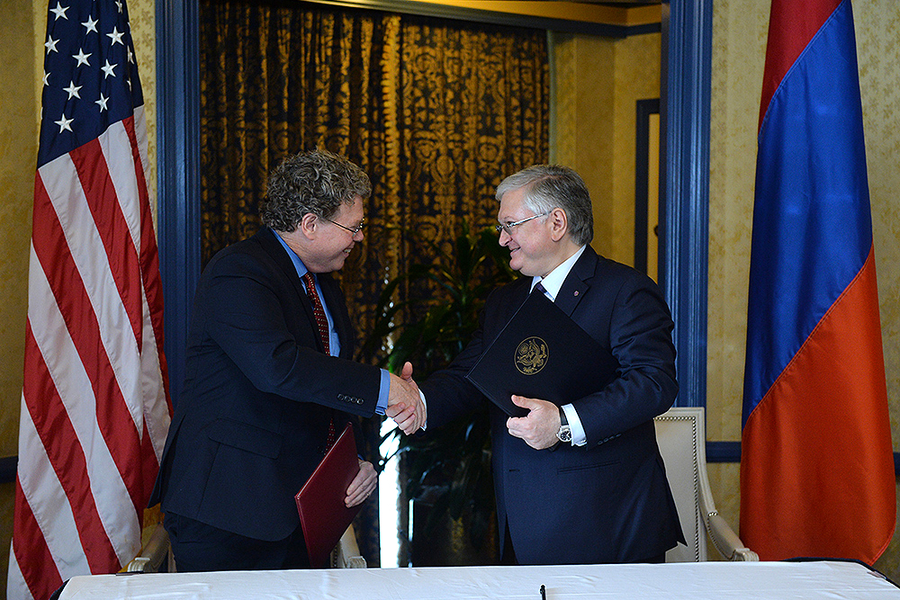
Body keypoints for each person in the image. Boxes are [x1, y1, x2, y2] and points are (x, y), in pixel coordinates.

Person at [149, 149, 425, 572]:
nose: (360, 237)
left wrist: (356, 462)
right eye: (354, 227)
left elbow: (322, 390)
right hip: (229, 513)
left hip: (298, 514)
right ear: (310, 224)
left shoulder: (322, 282)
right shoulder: (238, 271)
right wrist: (387, 389)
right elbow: (279, 368)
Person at [411, 164, 683, 565]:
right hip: (521, 521)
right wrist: (416, 400)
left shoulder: (625, 290)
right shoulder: (504, 300)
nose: (502, 239)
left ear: (556, 222)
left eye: (511, 225)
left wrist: (564, 423)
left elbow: (653, 381)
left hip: (606, 522)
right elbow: (471, 375)